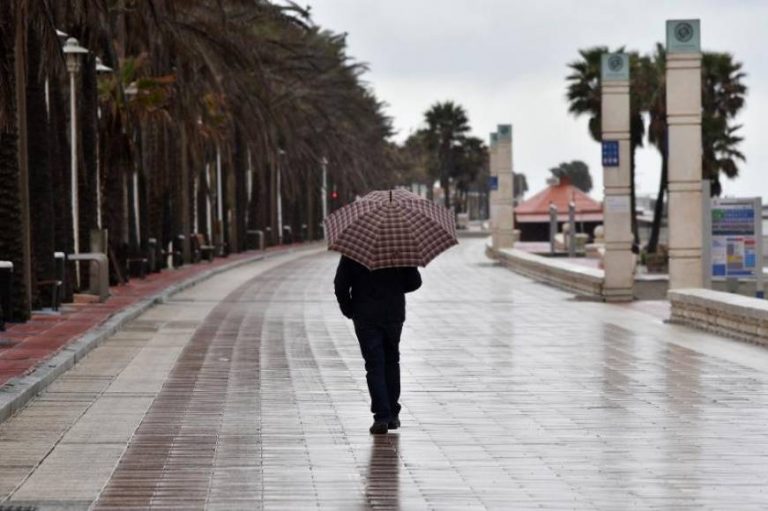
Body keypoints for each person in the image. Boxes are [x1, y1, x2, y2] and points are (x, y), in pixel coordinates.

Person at [334, 255, 422, 434]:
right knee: (391, 362)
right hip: (393, 313)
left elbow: (340, 284)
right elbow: (414, 282)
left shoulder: (354, 249)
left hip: (365, 314)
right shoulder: (398, 247)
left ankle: (382, 416)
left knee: (374, 365)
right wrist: (394, 287)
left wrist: (349, 309)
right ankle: (393, 414)